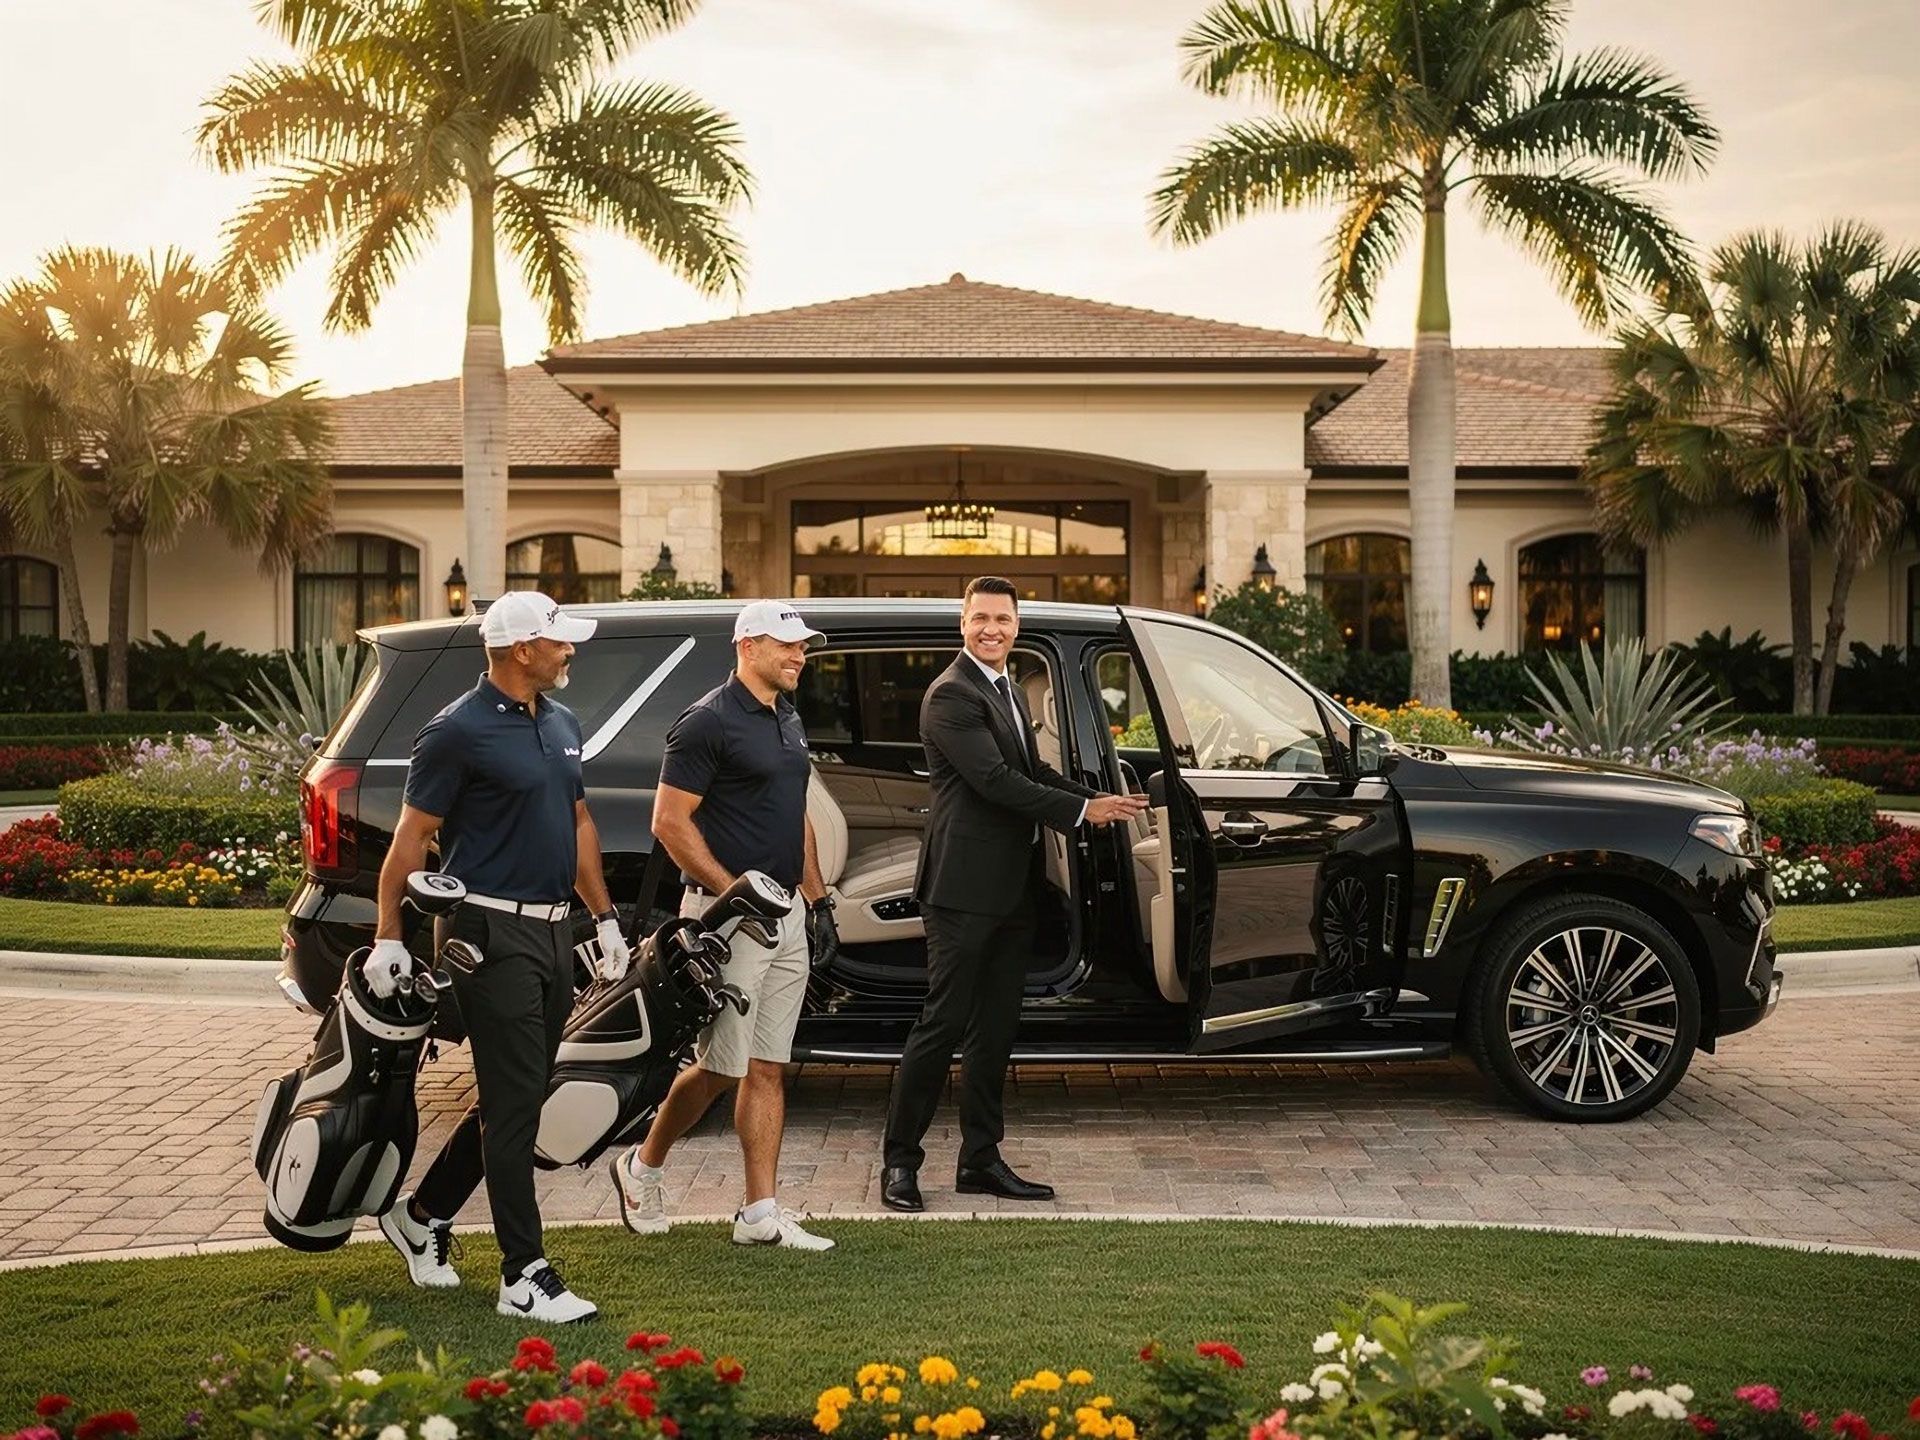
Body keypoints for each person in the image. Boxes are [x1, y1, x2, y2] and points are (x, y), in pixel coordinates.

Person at [369, 589, 631, 1324]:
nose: (570, 650)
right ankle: (524, 1275)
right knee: (517, 1108)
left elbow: (577, 819)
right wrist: (388, 935)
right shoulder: (455, 732)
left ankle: (420, 1217)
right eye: (560, 641)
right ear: (523, 651)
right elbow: (411, 837)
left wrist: (603, 917)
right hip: (484, 934)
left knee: (513, 1100)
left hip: (552, 932)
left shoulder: (562, 719)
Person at [880, 576, 1149, 1211]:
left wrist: (1094, 796)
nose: (991, 629)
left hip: (1012, 889)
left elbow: (1032, 771)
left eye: (1002, 618)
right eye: (980, 618)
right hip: (961, 890)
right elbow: (997, 782)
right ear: (962, 624)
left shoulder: (1006, 688)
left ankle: (979, 1161)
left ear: (1017, 625)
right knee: (941, 1026)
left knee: (995, 1030)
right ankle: (899, 1164)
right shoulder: (951, 695)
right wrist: (1084, 814)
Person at [610, 600, 841, 1250]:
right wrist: (735, 895)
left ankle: (758, 1212)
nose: (800, 657)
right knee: (721, 1067)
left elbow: (794, 814)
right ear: (747, 645)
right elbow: (669, 822)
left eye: (804, 648)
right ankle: (642, 1164)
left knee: (768, 1066)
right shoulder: (706, 722)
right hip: (729, 920)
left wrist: (817, 902)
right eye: (787, 646)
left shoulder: (787, 717)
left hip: (786, 913)